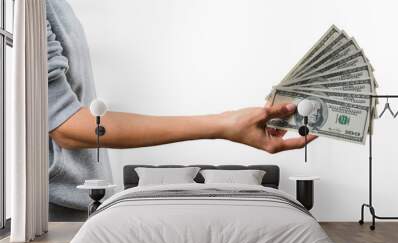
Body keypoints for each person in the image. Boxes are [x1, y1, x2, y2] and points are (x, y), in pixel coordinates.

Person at [46, 0, 316, 213]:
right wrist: (224, 124)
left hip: (91, 201)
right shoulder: (33, 11)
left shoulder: (60, 7)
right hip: (55, 209)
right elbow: (66, 125)